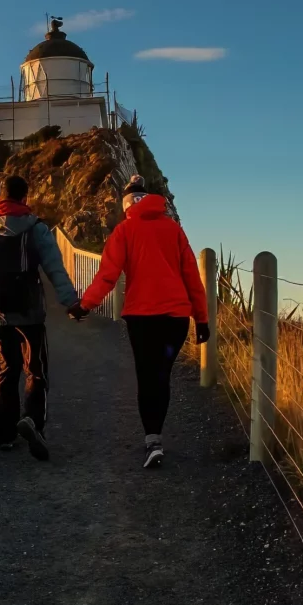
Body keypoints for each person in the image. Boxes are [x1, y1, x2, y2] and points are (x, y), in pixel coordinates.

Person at [80, 174, 207, 468]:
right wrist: (201, 319)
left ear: (126, 205)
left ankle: (153, 439)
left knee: (146, 376)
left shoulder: (125, 231)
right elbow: (192, 277)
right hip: (175, 319)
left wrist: (85, 305)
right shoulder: (173, 229)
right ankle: (155, 436)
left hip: (141, 319)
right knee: (161, 376)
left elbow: (108, 275)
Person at [0, 173, 84, 460]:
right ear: (24, 197)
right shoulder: (36, 227)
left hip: (0, 315)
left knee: (6, 373)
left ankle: (5, 436)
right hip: (31, 314)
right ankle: (33, 422)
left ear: (0, 196)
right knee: (36, 372)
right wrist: (71, 304)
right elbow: (55, 268)